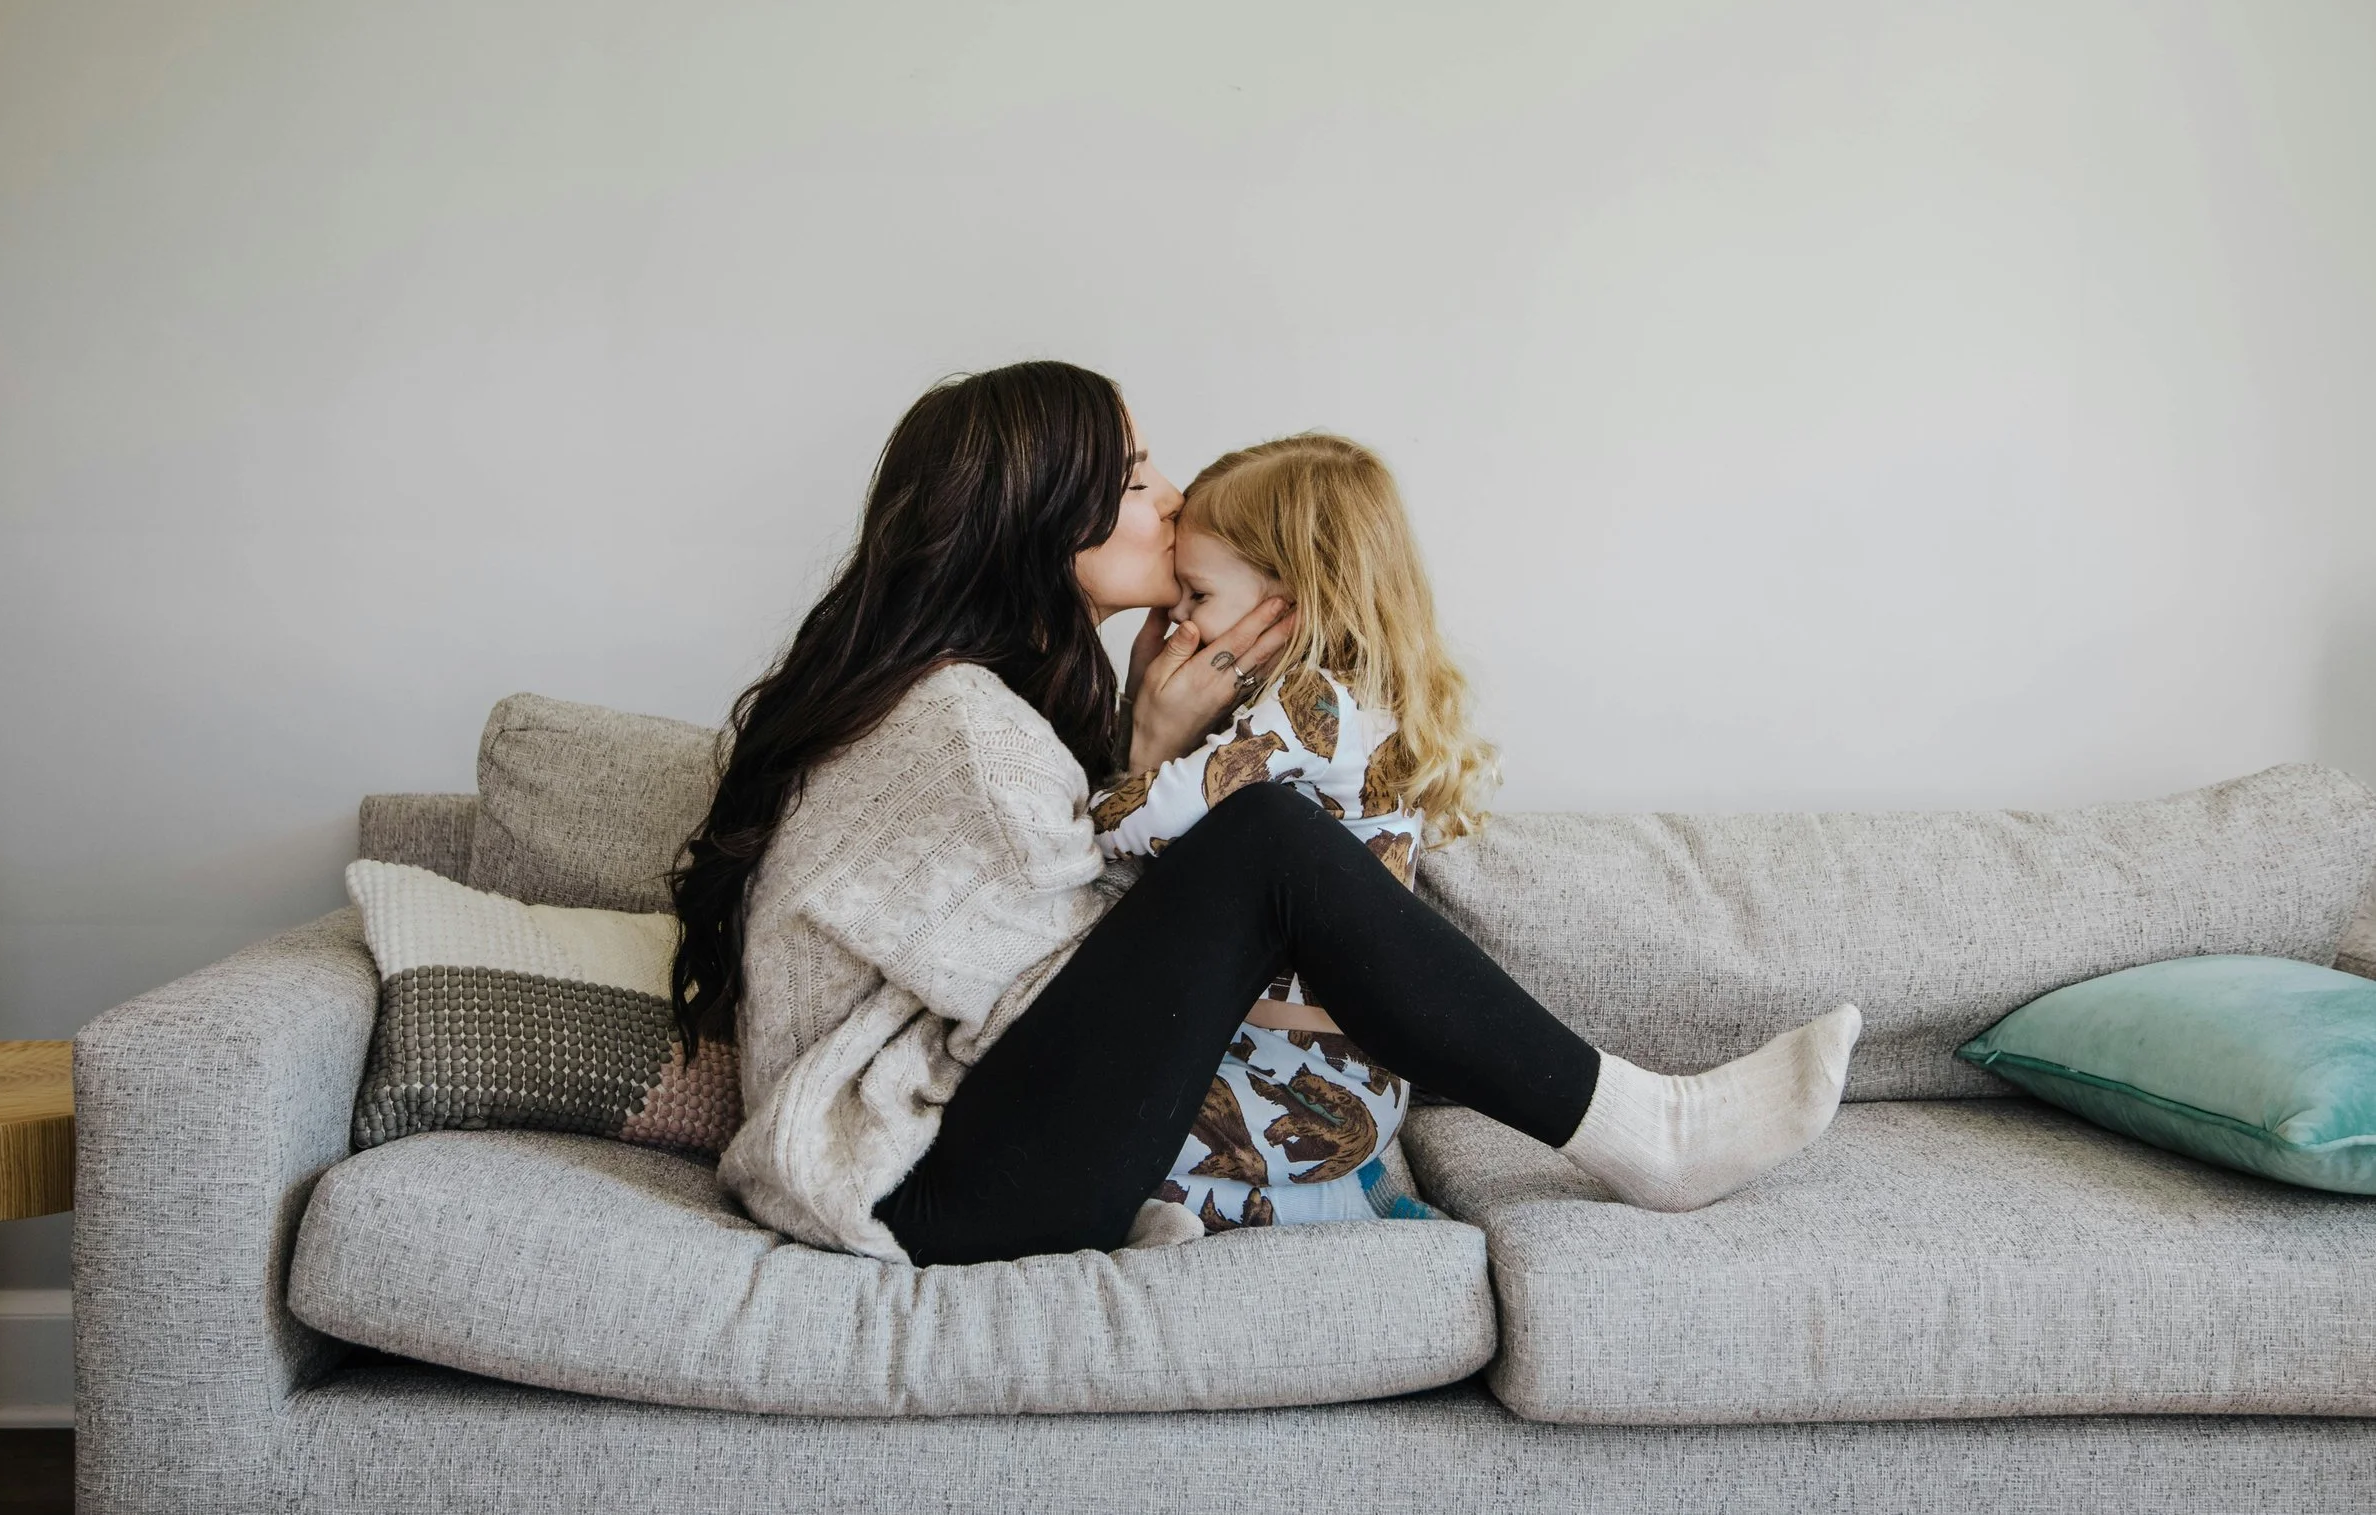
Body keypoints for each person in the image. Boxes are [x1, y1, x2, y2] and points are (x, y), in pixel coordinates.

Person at [673, 360, 1860, 1268]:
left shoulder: (994, 702)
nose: (1174, 496)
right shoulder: (961, 728)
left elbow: (1099, 973)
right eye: (1137, 476)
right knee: (1268, 836)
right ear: (1046, 512)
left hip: (969, 1161)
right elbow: (1045, 975)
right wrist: (1156, 759)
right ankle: (1645, 1128)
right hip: (915, 1185)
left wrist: (1148, 751)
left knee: (1262, 829)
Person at [1088, 432, 1475, 1236]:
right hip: (1346, 1073)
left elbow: (1141, 826)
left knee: (1091, 1137)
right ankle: (1320, 1202)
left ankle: (1321, 1203)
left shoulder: (1306, 710)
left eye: (1194, 596)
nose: (1178, 624)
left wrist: (1135, 754)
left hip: (1295, 1074)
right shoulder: (1361, 703)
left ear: (1285, 607)